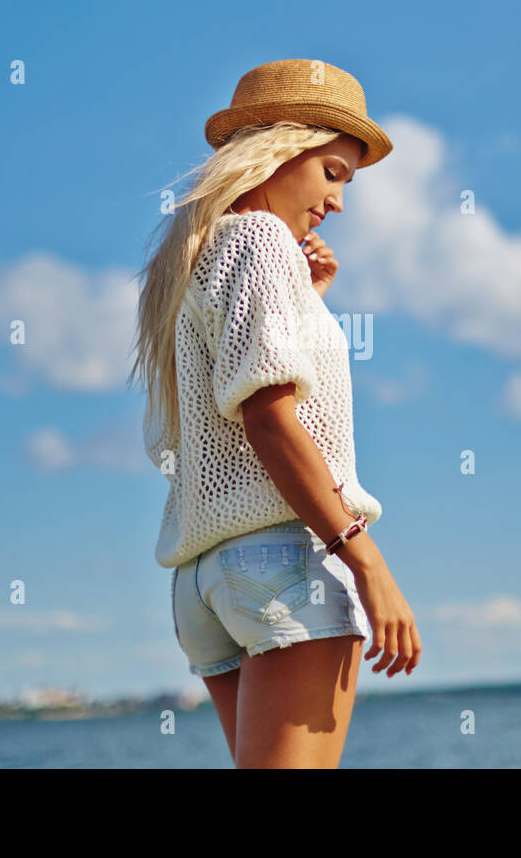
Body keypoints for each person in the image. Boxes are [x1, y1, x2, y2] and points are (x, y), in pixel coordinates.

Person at [129, 59, 421, 768]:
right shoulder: (258, 241)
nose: (339, 203)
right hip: (284, 560)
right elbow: (267, 419)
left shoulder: (194, 256)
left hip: (208, 582)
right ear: (280, 149)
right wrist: (367, 561)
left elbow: (226, 414)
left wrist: (306, 298)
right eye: (333, 172)